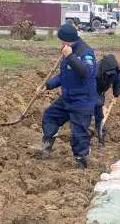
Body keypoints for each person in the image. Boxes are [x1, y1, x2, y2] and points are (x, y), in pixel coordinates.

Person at [35, 23, 97, 170]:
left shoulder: (86, 52)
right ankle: (46, 148)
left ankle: (81, 162)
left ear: (65, 39)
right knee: (49, 116)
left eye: (61, 40)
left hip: (82, 101)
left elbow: (85, 72)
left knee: (78, 134)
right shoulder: (66, 52)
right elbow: (63, 76)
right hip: (68, 98)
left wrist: (70, 56)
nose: (60, 43)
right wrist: (47, 85)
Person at [95, 54, 120, 148]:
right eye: (109, 73)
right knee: (86, 113)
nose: (112, 74)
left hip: (101, 91)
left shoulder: (116, 71)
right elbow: (91, 91)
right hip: (87, 91)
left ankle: (100, 137)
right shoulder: (94, 71)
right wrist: (101, 105)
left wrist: (116, 94)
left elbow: (117, 81)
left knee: (99, 115)